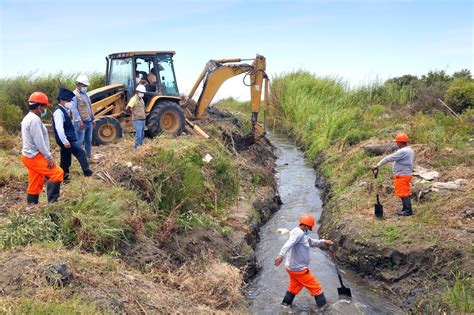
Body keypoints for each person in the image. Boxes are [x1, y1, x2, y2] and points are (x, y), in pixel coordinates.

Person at [274, 214, 333, 308]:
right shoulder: (299, 233)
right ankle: (325, 310)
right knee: (316, 288)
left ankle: (285, 306)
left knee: (294, 288)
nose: (308, 230)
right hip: (299, 269)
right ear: (304, 225)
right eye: (308, 228)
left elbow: (311, 242)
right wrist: (281, 255)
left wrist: (323, 242)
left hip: (291, 268)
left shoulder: (300, 233)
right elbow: (288, 244)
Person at [21, 92, 64, 204]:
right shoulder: (35, 120)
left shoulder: (28, 117)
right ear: (39, 107)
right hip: (34, 156)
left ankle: (31, 207)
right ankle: (53, 206)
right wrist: (48, 157)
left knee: (36, 181)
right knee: (57, 173)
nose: (45, 109)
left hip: (29, 156)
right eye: (44, 107)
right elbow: (39, 141)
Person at [52, 87, 93, 182]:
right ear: (62, 100)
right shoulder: (58, 112)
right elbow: (59, 128)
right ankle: (87, 172)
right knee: (80, 152)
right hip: (65, 139)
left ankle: (64, 176)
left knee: (65, 157)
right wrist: (65, 141)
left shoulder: (63, 110)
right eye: (68, 100)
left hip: (66, 138)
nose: (70, 102)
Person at [372, 132, 415, 216]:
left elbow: (389, 158)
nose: (396, 143)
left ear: (400, 142)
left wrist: (377, 165)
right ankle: (405, 209)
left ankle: (408, 211)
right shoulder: (409, 150)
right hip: (405, 174)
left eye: (397, 142)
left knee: (403, 193)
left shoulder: (403, 151)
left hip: (402, 175)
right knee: (404, 191)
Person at [71, 74, 95, 160]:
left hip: (89, 121)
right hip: (80, 123)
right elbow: (74, 109)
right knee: (79, 141)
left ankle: (88, 156)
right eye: (84, 85)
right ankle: (78, 158)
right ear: (78, 84)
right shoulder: (74, 95)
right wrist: (79, 121)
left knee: (88, 140)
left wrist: (93, 119)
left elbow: (89, 107)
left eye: (86, 86)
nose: (85, 87)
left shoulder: (86, 95)